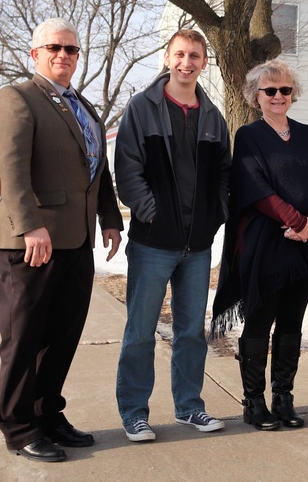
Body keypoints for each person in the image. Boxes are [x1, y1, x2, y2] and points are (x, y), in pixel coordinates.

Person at [0, 18, 123, 463]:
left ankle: (47, 414)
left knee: (62, 335)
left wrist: (109, 218)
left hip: (76, 240)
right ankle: (19, 426)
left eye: (71, 49)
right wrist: (29, 224)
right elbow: (10, 168)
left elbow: (98, 171)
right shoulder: (18, 98)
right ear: (35, 54)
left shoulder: (83, 106)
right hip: (33, 242)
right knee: (24, 338)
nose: (63, 55)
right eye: (54, 48)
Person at [115, 29, 231, 441]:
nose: (187, 62)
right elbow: (128, 171)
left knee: (190, 332)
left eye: (195, 55)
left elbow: (222, 177)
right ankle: (134, 413)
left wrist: (213, 218)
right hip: (152, 243)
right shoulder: (141, 108)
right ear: (167, 57)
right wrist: (152, 214)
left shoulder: (213, 117)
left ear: (204, 61)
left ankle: (189, 407)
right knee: (141, 331)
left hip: (197, 246)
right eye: (180, 54)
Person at [210, 59, 308, 430]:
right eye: (270, 90)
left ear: (293, 94)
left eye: (285, 90)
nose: (278, 96)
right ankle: (253, 402)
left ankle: (284, 399)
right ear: (255, 96)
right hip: (265, 243)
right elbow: (254, 186)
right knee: (260, 320)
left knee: (293, 321)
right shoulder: (249, 135)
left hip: (305, 244)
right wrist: (295, 221)